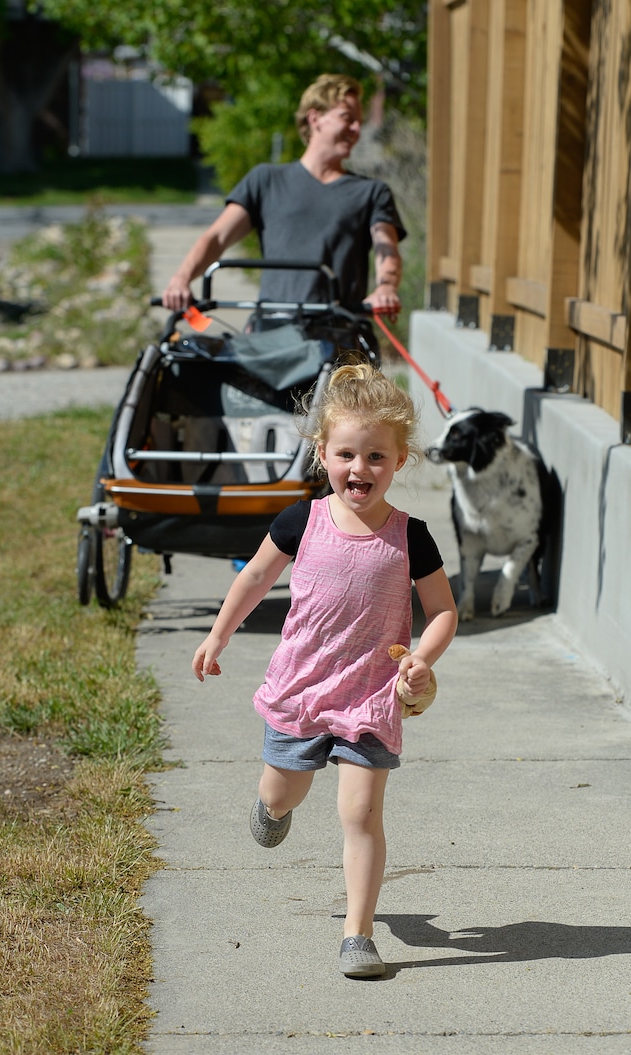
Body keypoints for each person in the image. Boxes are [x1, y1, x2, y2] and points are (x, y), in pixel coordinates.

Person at [191, 363, 458, 979]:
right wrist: (217, 635)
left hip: (370, 698)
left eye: (375, 457)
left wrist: (422, 657)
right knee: (285, 789)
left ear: (399, 460)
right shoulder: (300, 521)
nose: (359, 469)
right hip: (304, 689)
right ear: (322, 452)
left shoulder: (410, 536)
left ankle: (357, 934)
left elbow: (442, 610)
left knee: (361, 814)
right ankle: (272, 807)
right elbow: (255, 578)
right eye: (346, 454)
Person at [162, 73, 405, 315]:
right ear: (315, 118)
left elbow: (387, 249)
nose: (356, 129)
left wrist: (386, 287)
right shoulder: (266, 181)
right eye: (347, 118)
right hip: (273, 332)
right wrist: (181, 279)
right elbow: (216, 238)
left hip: (340, 333)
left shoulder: (372, 193)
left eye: (359, 123)